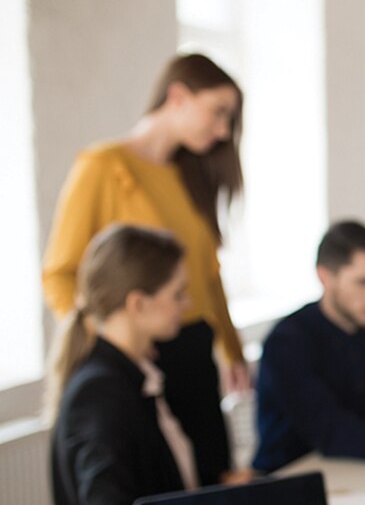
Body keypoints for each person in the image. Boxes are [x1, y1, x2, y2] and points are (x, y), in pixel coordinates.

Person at [41, 53, 249, 486]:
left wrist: (231, 347)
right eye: (218, 112)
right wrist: (106, 340)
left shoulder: (191, 174)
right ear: (177, 96)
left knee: (212, 477)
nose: (223, 130)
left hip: (194, 348)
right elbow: (59, 273)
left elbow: (208, 275)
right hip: (139, 352)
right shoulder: (103, 166)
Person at [252, 221, 365, 473]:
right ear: (325, 277)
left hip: (359, 467)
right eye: (364, 282)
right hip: (289, 474)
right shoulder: (287, 342)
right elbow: (331, 433)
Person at [48, 225, 192, 504]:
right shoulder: (98, 394)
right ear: (138, 304)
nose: (187, 303)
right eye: (177, 294)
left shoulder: (130, 375)